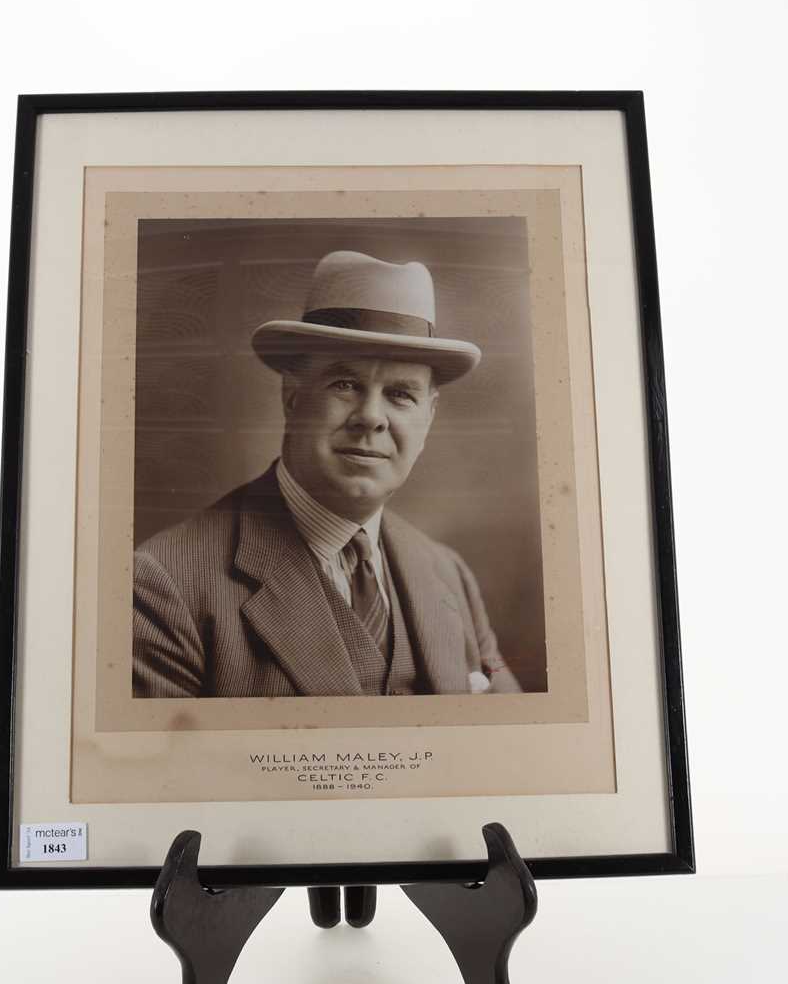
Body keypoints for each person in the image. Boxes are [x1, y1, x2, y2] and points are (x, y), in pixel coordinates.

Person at [132, 250, 521, 698]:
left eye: (400, 395)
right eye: (345, 384)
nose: (371, 417)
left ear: (429, 416)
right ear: (292, 395)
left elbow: (512, 750)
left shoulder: (449, 574)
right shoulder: (165, 585)